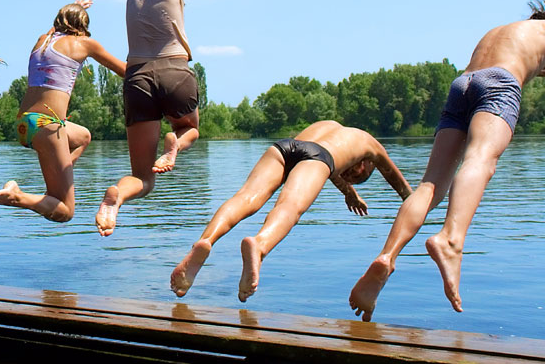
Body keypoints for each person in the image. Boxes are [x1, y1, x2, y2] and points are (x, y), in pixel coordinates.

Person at [349, 0, 545, 321]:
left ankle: (387, 257)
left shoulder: (502, 33)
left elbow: (534, 64)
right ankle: (450, 240)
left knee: (430, 184)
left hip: (464, 84)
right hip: (498, 86)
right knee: (480, 159)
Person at [95, 0, 238, 237]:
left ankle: (116, 196)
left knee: (143, 179)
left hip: (137, 78)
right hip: (174, 70)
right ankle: (175, 142)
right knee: (190, 129)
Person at [170, 121, 411, 302]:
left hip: (284, 148)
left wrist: (348, 192)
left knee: (245, 197)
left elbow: (331, 167)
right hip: (318, 157)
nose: (352, 176)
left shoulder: (330, 126)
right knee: (289, 207)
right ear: (364, 164)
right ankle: (260, 245)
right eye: (358, 176)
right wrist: (417, 203)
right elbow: (402, 187)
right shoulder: (372, 146)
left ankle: (205, 241)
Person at [0, 0, 127, 221]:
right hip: (47, 125)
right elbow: (125, 71)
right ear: (83, 27)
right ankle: (16, 196)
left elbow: (55, 30)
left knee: (83, 136)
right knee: (65, 212)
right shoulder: (85, 43)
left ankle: (55, 186)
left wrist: (73, 9)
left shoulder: (42, 40)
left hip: (24, 124)